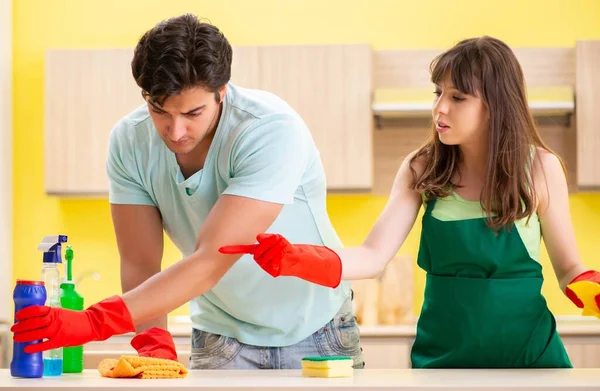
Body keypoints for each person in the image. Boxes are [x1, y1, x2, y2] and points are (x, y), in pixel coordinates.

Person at [220, 36, 600, 368]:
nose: (439, 108)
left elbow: (568, 268)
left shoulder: (541, 168)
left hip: (530, 358)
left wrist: (589, 286)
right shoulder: (423, 169)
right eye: (438, 93)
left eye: (457, 97)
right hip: (444, 359)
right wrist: (297, 258)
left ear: (496, 105)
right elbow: (372, 256)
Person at [11, 13, 364, 370]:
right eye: (159, 110)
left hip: (317, 330)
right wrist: (152, 342)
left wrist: (95, 321)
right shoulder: (129, 141)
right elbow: (140, 262)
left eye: (193, 112)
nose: (175, 130)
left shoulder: (268, 129)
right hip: (219, 334)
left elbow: (212, 258)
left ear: (221, 91)